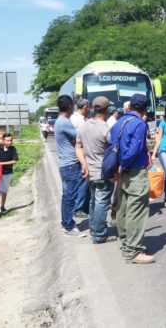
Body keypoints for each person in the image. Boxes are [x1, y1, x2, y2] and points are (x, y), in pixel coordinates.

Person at [111, 93, 155, 264]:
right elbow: (134, 149)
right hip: (134, 171)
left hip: (122, 172)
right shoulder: (139, 123)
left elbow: (112, 144)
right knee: (137, 211)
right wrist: (125, 165)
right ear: (145, 108)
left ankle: (126, 243)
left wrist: (118, 167)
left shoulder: (119, 122)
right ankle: (133, 251)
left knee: (123, 208)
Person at [76, 96, 118, 244]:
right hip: (103, 173)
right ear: (107, 110)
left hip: (89, 172)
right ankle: (99, 235)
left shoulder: (84, 126)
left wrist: (83, 163)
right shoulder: (106, 129)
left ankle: (94, 229)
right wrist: (113, 174)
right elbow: (113, 153)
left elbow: (78, 146)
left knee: (94, 202)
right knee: (101, 203)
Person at [55, 95, 86, 237]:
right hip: (70, 164)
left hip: (66, 164)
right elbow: (80, 135)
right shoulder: (64, 122)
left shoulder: (61, 121)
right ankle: (68, 226)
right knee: (70, 196)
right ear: (69, 107)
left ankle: (65, 223)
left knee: (68, 195)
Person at [70, 98, 90, 217]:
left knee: (85, 182)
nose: (89, 109)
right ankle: (78, 208)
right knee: (82, 181)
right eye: (88, 107)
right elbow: (74, 139)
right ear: (84, 107)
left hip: (83, 154)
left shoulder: (82, 119)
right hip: (79, 155)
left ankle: (84, 207)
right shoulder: (75, 119)